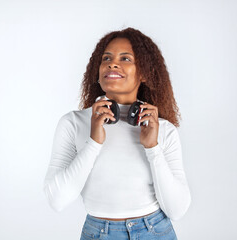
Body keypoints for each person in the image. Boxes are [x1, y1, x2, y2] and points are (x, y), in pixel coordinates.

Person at [43, 27, 191, 240]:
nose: (113, 63)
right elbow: (57, 200)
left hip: (155, 231)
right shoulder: (73, 124)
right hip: (99, 233)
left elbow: (177, 210)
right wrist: (93, 142)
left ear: (144, 73)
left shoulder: (163, 130)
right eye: (107, 58)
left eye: (125, 58)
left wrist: (153, 148)